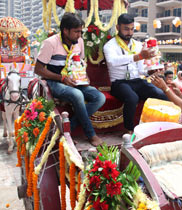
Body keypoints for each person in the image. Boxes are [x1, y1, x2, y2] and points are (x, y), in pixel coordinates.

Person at [34, 12, 106, 147]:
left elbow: (81, 63)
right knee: (77, 95)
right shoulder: (50, 43)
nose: (79, 35)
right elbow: (38, 70)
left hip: (76, 81)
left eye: (81, 32)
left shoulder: (80, 42)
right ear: (65, 30)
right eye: (76, 32)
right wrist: (61, 78)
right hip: (55, 82)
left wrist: (85, 77)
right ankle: (91, 134)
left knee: (100, 97)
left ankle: (68, 128)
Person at [103, 13, 168, 133]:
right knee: (132, 98)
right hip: (119, 83)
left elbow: (140, 70)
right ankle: (129, 130)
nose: (129, 32)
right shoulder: (110, 45)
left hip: (137, 80)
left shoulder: (137, 45)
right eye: (126, 29)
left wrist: (151, 71)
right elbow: (112, 62)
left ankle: (162, 127)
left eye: (132, 29)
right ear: (117, 28)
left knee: (160, 94)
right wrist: (138, 56)